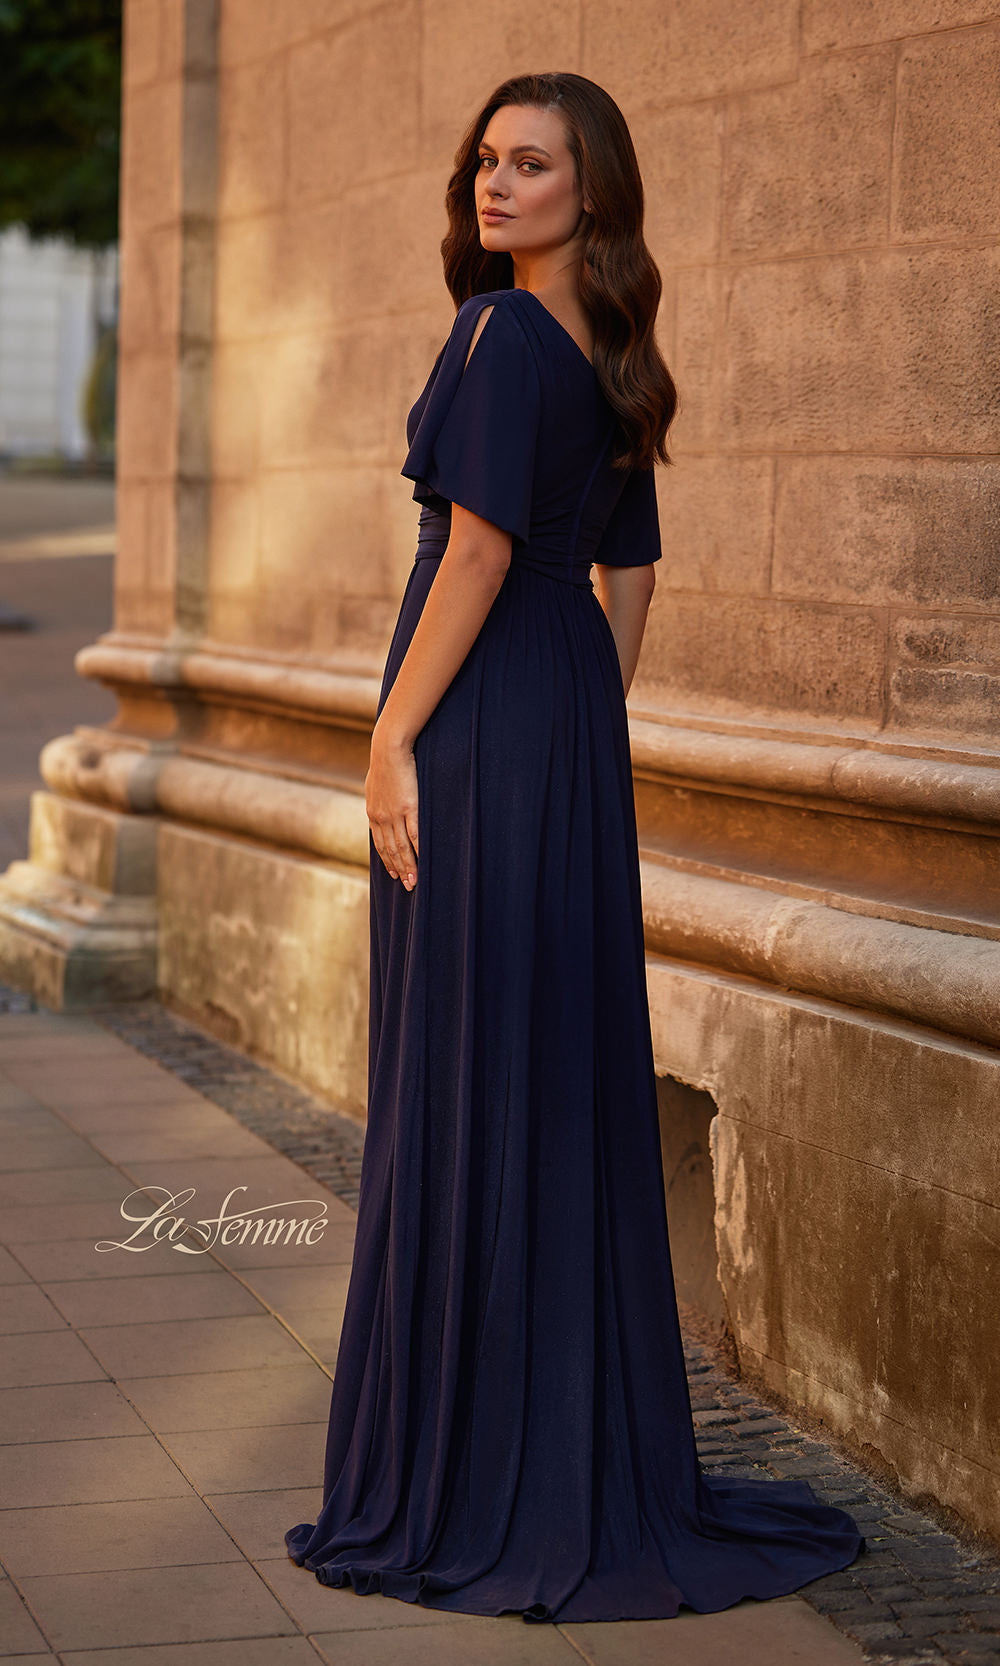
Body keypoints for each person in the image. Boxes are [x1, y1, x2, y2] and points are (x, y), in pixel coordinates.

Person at [285, 69, 865, 1623]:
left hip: (473, 729)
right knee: (547, 1078)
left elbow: (472, 550)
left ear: (587, 191)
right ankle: (559, 1458)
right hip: (560, 740)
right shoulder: (615, 355)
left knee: (464, 1074)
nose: (495, 184)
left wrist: (397, 733)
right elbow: (632, 588)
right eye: (485, 160)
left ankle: (463, 1476)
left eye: (530, 165)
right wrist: (564, 732)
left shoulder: (493, 336)